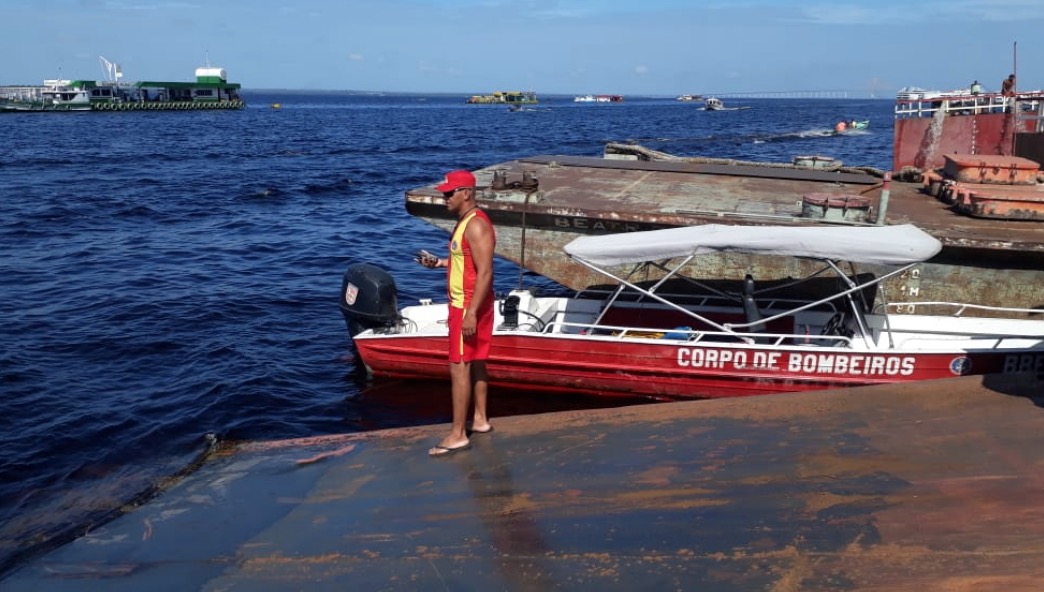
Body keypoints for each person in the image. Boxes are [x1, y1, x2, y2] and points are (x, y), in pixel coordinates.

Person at [417, 169, 496, 457]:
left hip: (467, 306)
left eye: (450, 193)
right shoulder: (465, 223)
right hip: (471, 304)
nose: (445, 198)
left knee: (459, 366)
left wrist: (471, 313)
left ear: (467, 193)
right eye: (444, 193)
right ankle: (480, 420)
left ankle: (457, 434)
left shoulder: (476, 225)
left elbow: (486, 271)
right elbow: (469, 262)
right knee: (475, 361)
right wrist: (439, 263)